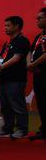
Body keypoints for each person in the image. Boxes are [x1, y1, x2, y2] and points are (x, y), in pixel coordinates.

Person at [0, 15, 30, 138]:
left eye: (8, 25)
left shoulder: (22, 40)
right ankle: (7, 128)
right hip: (4, 79)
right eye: (5, 25)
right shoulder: (8, 42)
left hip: (16, 79)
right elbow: (1, 57)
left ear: (17, 26)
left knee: (17, 104)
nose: (5, 28)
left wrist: (1, 66)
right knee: (5, 106)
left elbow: (17, 58)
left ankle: (22, 129)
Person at [29, 8, 46, 140]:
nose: (37, 20)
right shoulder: (39, 36)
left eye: (40, 18)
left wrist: (33, 64)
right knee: (41, 102)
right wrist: (29, 64)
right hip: (38, 74)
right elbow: (30, 52)